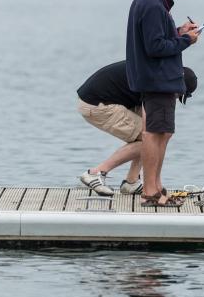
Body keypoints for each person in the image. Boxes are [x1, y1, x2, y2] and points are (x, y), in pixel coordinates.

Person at [126, 0, 199, 207]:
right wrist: (186, 40)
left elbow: (156, 38)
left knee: (161, 132)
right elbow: (155, 47)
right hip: (158, 80)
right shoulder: (153, 5)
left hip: (155, 78)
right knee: (154, 134)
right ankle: (151, 193)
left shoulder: (148, 1)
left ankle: (155, 187)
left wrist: (178, 31)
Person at [77, 59, 197, 196]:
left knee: (151, 136)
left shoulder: (161, 73)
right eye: (178, 94)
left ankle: (131, 182)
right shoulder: (155, 83)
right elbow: (150, 129)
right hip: (97, 104)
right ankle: (95, 173)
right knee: (151, 139)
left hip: (106, 98)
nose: (175, 98)